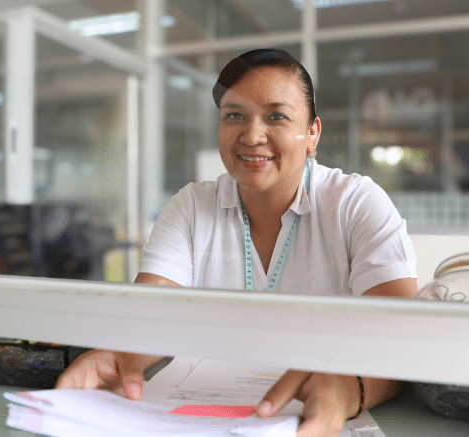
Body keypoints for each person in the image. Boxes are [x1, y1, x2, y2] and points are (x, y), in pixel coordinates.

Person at [56, 48, 418, 437]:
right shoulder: (191, 207)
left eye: (276, 116)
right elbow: (152, 317)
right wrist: (118, 354)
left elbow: (405, 338)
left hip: (318, 411)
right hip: (202, 413)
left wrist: (348, 391)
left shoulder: (355, 203)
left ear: (312, 133)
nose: (252, 135)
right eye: (234, 116)